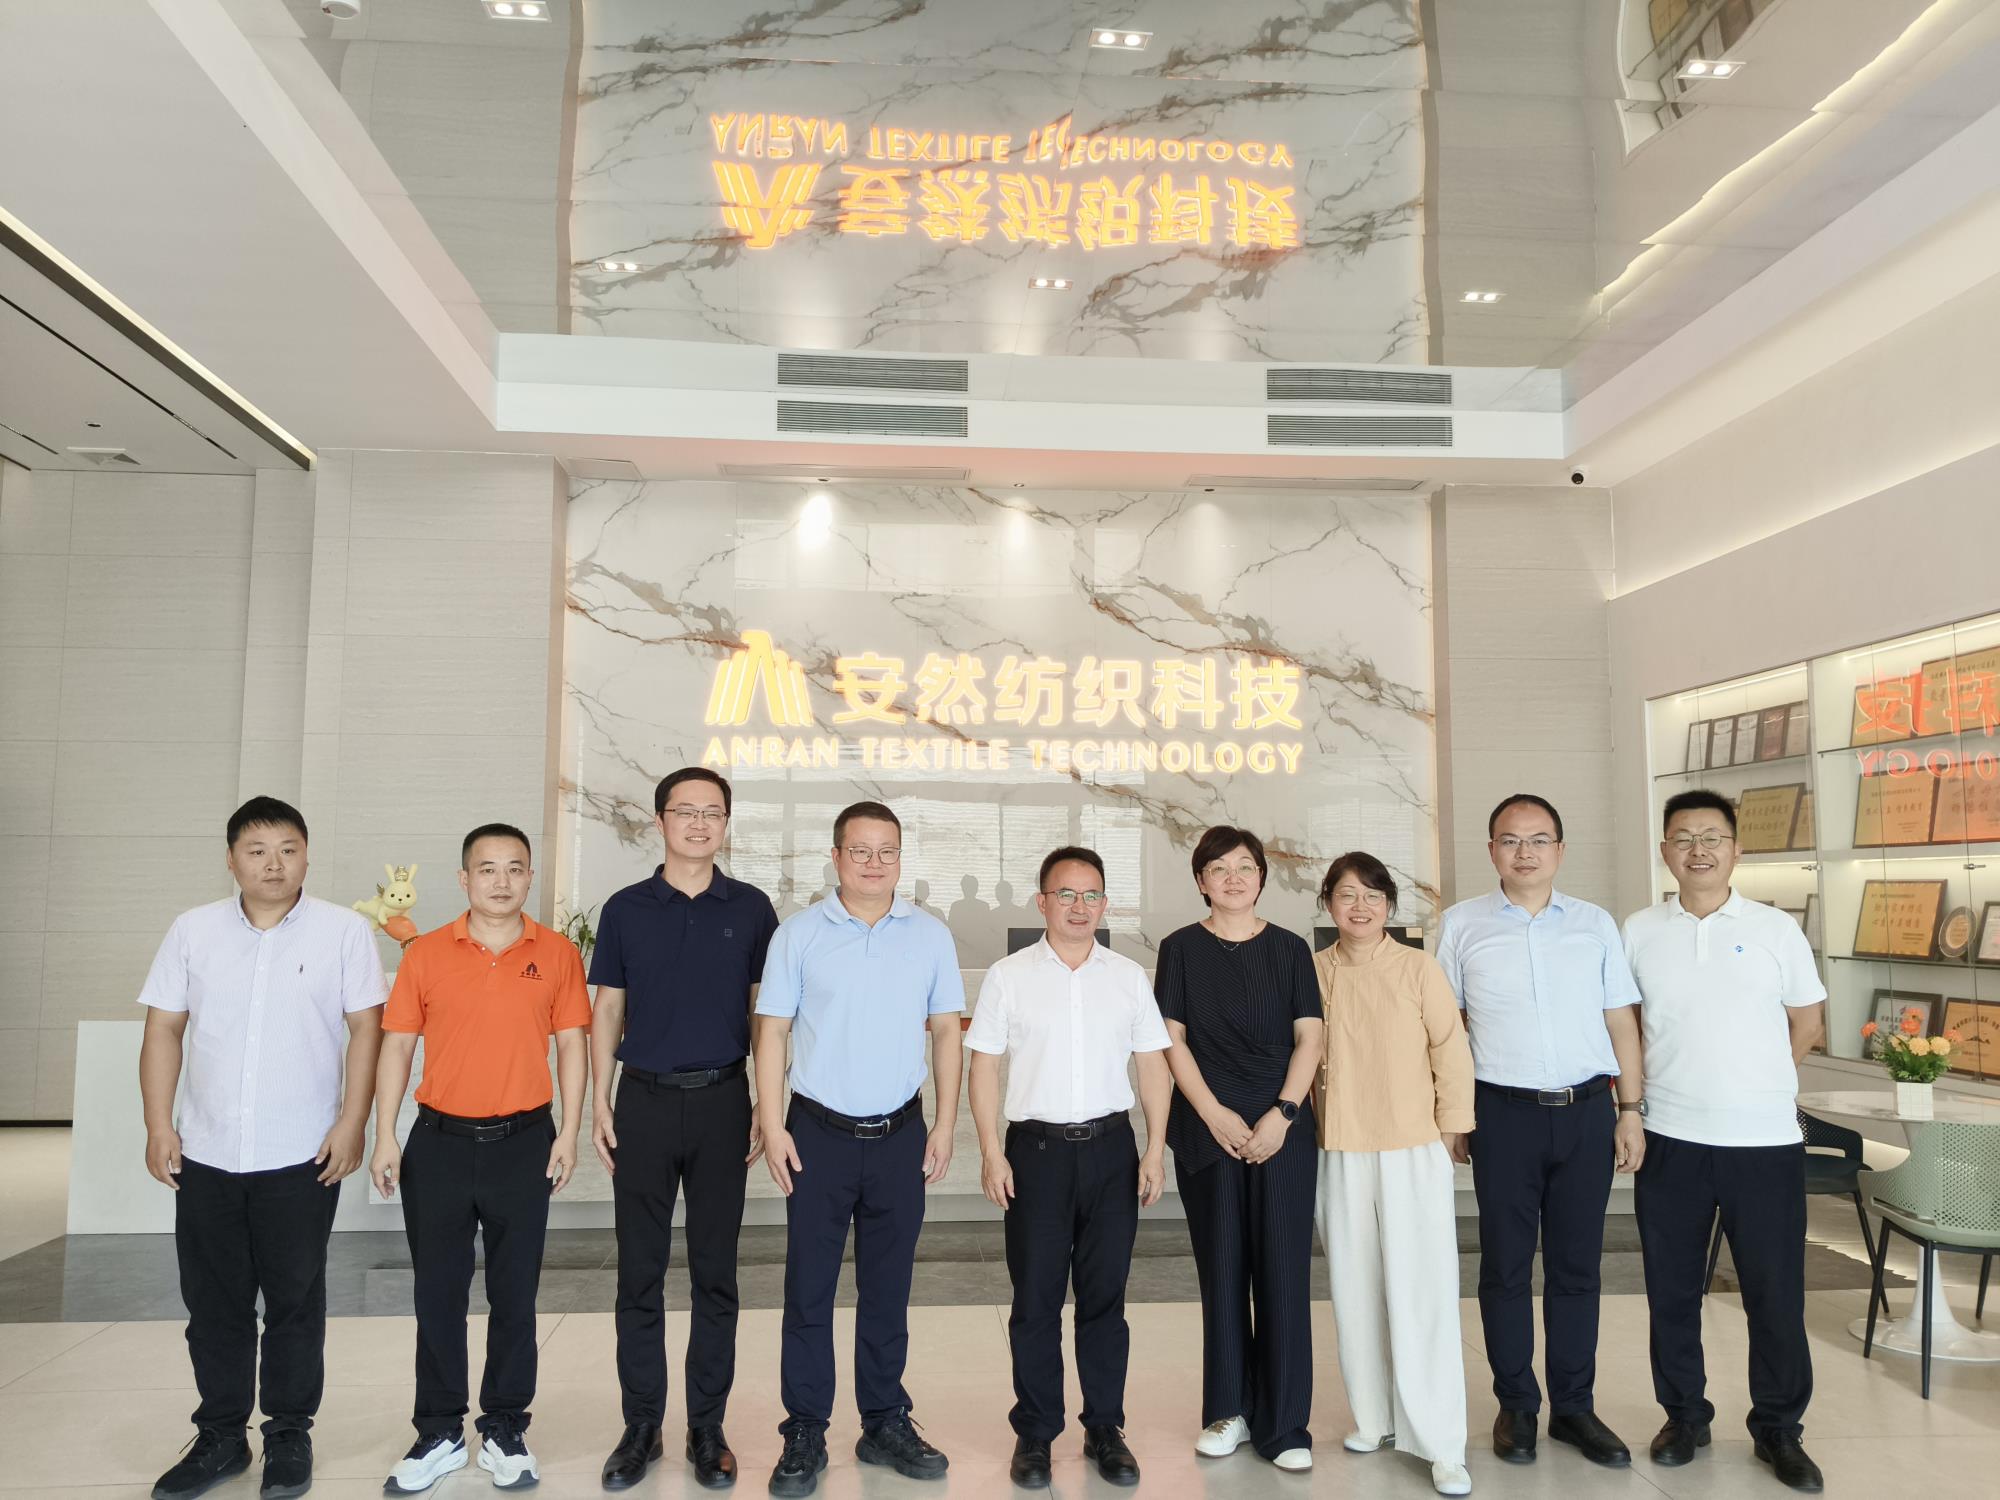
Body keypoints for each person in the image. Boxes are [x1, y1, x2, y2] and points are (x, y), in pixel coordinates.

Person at [138, 797, 386, 1500]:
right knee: (212, 1304)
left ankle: (287, 1434)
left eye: (287, 849)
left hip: (302, 1154)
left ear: (307, 856)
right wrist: (159, 1124)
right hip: (208, 1151)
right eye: (257, 850)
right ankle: (221, 1437)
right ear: (231, 859)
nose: (273, 864)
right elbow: (163, 1030)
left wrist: (353, 1121)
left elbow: (367, 1030)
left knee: (294, 1302)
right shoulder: (193, 930)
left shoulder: (343, 932)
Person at [370, 824, 590, 1495]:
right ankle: (438, 1430)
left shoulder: (556, 954)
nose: (501, 881)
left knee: (514, 1294)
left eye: (515, 868)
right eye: (487, 869)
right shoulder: (427, 954)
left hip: (524, 1143)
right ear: (464, 879)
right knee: (437, 1293)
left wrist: (568, 1132)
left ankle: (504, 1428)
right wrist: (386, 1135)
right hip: (437, 1144)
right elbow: (397, 1046)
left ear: (530, 878)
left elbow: (573, 1045)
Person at [753, 801, 965, 1497]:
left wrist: (945, 1124)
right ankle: (805, 1428)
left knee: (888, 1289)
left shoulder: (930, 935)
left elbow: (946, 1031)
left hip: (901, 1135)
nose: (874, 863)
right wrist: (773, 1124)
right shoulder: (799, 934)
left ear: (901, 858)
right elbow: (772, 1031)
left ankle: (884, 1421)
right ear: (836, 857)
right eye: (860, 850)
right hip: (817, 1136)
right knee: (808, 1289)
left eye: (887, 851)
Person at [1435, 794, 1647, 1468]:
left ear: (1560, 848)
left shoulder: (1594, 923)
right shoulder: (1461, 925)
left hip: (1587, 1112)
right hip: (1502, 1115)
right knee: (1503, 1266)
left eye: (1538, 839)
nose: (1524, 852)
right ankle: (1517, 1405)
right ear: (1491, 849)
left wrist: (1631, 1109)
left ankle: (1575, 1408)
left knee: (1577, 1267)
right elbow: (1445, 1030)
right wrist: (1454, 1114)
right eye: (1510, 840)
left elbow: (1621, 1021)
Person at [1624, 790, 1826, 1492]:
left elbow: (1807, 1021)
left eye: (1712, 837)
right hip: (1670, 1137)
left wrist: (1759, 1083)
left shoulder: (1775, 929)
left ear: (1736, 850)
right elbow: (1628, 1026)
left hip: (1763, 1143)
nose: (1698, 850)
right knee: (1672, 1291)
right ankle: (1684, 1417)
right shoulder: (1639, 930)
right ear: (1665, 852)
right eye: (1684, 838)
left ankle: (1779, 1429)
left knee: (1775, 1294)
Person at [590, 767, 779, 1491]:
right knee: (638, 1272)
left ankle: (707, 1426)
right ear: (660, 821)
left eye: (713, 812)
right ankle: (641, 1425)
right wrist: (600, 1101)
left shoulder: (752, 908)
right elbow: (609, 1009)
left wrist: (766, 1103)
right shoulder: (626, 908)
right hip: (642, 1102)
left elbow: (766, 1016)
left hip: (722, 1102)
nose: (699, 823)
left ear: (726, 823)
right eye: (685, 811)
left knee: (714, 1273)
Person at [965, 845, 1172, 1490]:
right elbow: (983, 1067)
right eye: (1065, 894)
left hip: (1112, 1152)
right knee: (1035, 1300)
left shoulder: (1128, 976)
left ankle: (1104, 1427)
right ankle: (1035, 1432)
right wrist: (991, 1151)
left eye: (1091, 896)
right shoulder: (1008, 976)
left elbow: (1152, 1065)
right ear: (1042, 902)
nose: (1079, 907)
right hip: (1036, 1155)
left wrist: (1154, 1147)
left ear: (1104, 904)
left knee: (1105, 1299)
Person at [1156, 826, 1324, 1471]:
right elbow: (1171, 1039)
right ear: (1201, 880)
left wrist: (1283, 1114)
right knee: (1222, 1272)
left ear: (1262, 877)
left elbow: (1310, 1038)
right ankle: (1227, 1410)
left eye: (1246, 866)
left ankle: (1285, 1425)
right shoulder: (1180, 949)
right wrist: (1213, 1112)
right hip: (1209, 1130)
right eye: (1219, 868)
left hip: (1282, 1130)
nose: (1234, 877)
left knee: (1283, 1273)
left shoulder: (1289, 949)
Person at [1314, 852, 1476, 1497]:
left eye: (1373, 895)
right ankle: (1374, 1418)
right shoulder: (1312, 970)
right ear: (1328, 902)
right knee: (1353, 1287)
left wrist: (1451, 1130)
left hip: (1412, 1145)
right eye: (1347, 894)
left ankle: (1441, 1442)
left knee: (1421, 1290)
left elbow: (1451, 1049)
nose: (1361, 906)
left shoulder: (1417, 968)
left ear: (1389, 905)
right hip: (1338, 1147)